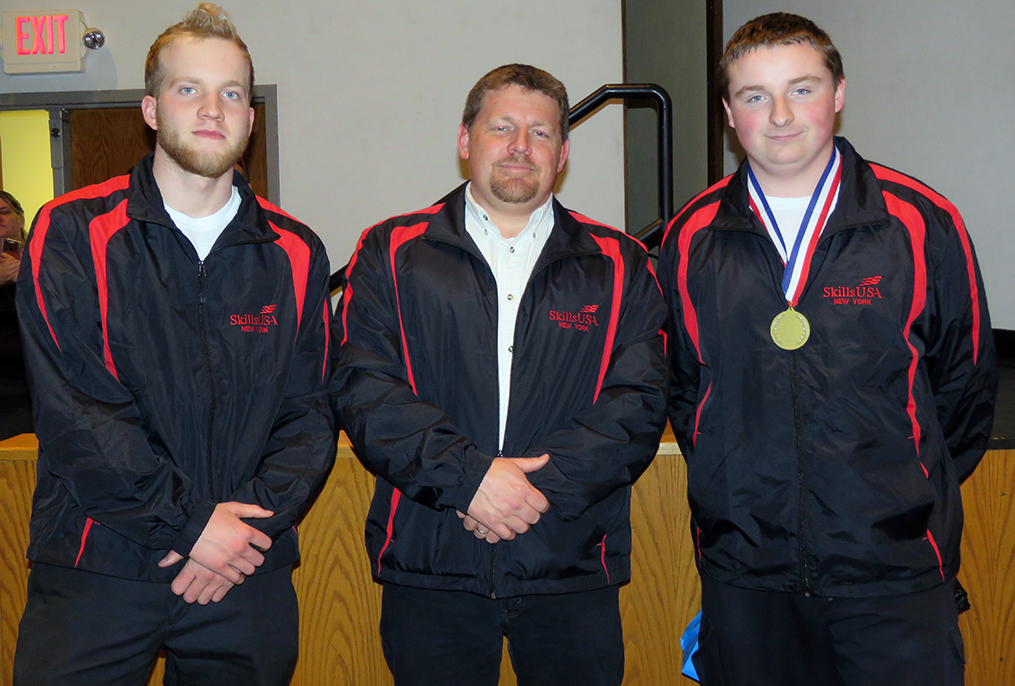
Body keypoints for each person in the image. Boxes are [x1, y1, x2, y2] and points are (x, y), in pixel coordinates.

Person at [658, 12, 997, 686]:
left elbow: (962, 390)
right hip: (747, 572)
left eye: (802, 88)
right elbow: (685, 392)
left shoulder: (920, 221)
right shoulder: (688, 237)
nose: (780, 115)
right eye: (754, 96)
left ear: (838, 93)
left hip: (892, 569)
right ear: (729, 112)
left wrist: (895, 502)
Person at [13, 4, 334, 685]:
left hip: (244, 571)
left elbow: (308, 416)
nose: (213, 109)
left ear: (250, 116)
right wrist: (193, 527)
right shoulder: (72, 233)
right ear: (152, 109)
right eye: (189, 88)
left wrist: (235, 536)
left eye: (232, 93)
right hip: (101, 564)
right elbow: (79, 414)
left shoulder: (296, 251)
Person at [331, 63, 667, 686]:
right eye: (502, 127)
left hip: (568, 564)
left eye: (540, 133)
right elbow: (363, 387)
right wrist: (470, 480)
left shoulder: (619, 264)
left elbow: (639, 403)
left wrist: (525, 493)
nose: (519, 146)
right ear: (466, 140)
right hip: (431, 562)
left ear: (562, 154)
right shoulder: (389, 251)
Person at [0, 190, 33, 440]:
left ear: (20, 219)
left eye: (4, 212)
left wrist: (29, 277)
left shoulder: (45, 255)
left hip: (31, 379)